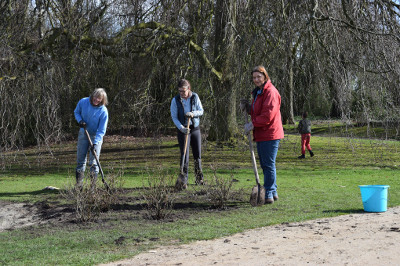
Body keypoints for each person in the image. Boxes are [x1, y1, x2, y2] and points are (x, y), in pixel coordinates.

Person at [240, 66, 284, 204]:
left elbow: (267, 116)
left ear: (265, 76)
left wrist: (252, 124)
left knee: (268, 164)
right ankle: (273, 192)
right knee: (266, 164)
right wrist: (247, 108)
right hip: (261, 133)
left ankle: (269, 193)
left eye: (259, 76)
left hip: (270, 133)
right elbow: (258, 112)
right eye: (254, 77)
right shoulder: (258, 92)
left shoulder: (270, 92)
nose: (256, 80)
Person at [170, 79, 204, 189]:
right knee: (185, 155)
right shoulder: (175, 100)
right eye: (180, 91)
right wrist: (181, 128)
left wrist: (193, 114)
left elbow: (201, 110)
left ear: (188, 88)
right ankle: (183, 180)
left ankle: (199, 179)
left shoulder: (195, 97)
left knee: (197, 155)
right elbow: (174, 117)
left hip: (195, 129)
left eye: (183, 91)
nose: (182, 93)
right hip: (183, 130)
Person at [74, 88, 109, 188]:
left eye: (99, 98)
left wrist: (96, 143)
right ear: (92, 95)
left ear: (102, 100)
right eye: (95, 97)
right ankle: (79, 186)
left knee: (94, 162)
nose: (96, 99)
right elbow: (76, 112)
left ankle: (92, 188)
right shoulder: (83, 102)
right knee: (81, 160)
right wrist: (80, 121)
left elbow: (102, 130)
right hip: (83, 133)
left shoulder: (103, 111)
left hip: (96, 136)